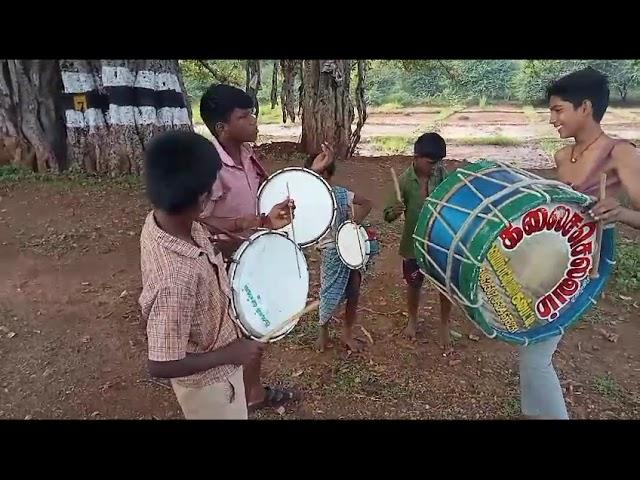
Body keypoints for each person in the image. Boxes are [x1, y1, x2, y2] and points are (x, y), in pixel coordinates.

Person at [197, 83, 331, 412]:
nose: (254, 120)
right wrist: (254, 224)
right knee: (232, 335)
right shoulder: (208, 168)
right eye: (245, 116)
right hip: (226, 263)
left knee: (257, 328)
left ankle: (252, 393)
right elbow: (198, 224)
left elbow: (265, 200)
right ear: (222, 127)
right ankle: (227, 401)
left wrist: (309, 176)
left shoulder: (246, 154)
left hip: (255, 256)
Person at [519, 66, 640, 420]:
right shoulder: (560, 157)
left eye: (558, 110)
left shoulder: (620, 153)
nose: (552, 119)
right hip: (547, 263)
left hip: (581, 270)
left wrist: (619, 213)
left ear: (584, 108)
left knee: (535, 356)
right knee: (529, 348)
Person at [138, 130, 265, 420]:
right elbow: (161, 363)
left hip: (219, 359)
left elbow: (209, 241)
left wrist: (261, 229)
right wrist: (232, 355)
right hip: (211, 386)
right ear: (202, 197)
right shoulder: (175, 278)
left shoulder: (169, 220)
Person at [383, 133, 453, 350]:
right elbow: (387, 215)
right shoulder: (404, 181)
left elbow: (453, 198)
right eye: (431, 162)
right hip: (413, 245)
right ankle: (412, 320)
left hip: (440, 241)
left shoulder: (442, 175)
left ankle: (444, 325)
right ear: (417, 157)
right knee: (414, 285)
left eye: (439, 162)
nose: (436, 166)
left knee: (445, 286)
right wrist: (394, 211)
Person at [308, 153, 375, 353]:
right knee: (329, 293)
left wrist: (354, 225)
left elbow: (367, 203)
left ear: (327, 174)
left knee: (354, 290)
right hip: (330, 251)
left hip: (350, 248)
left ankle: (347, 333)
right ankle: (323, 333)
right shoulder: (310, 198)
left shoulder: (340, 194)